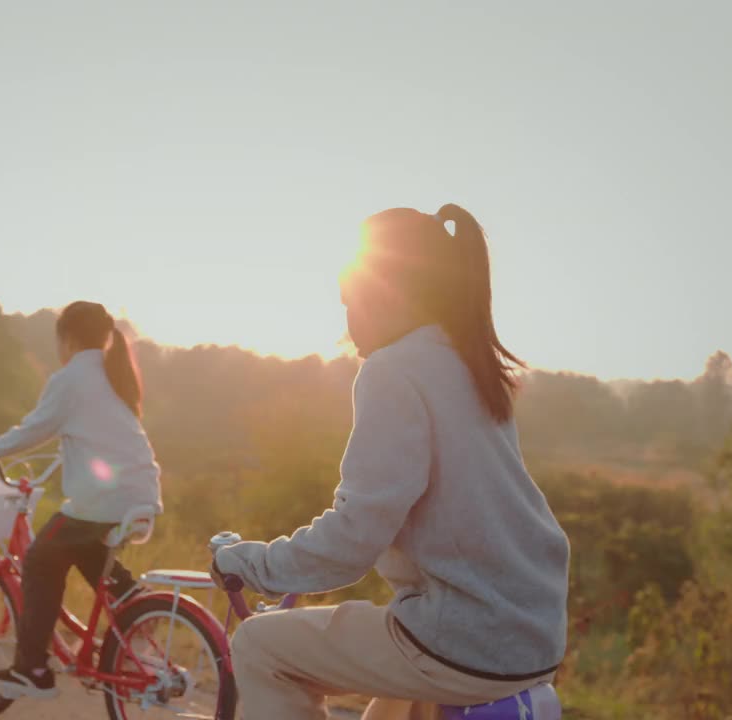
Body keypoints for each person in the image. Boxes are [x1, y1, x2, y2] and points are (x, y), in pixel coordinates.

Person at [211, 205, 570, 720]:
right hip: (529, 637)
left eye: (349, 303)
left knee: (261, 645)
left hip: (461, 641)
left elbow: (354, 539)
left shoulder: (393, 370)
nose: (348, 321)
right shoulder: (468, 363)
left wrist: (252, 564)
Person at [0, 301, 161, 701]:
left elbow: (30, 432)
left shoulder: (71, 378)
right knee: (80, 545)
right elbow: (88, 439)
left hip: (104, 500)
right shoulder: (113, 375)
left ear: (66, 339)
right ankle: (133, 608)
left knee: (39, 558)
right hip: (141, 494)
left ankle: (32, 668)